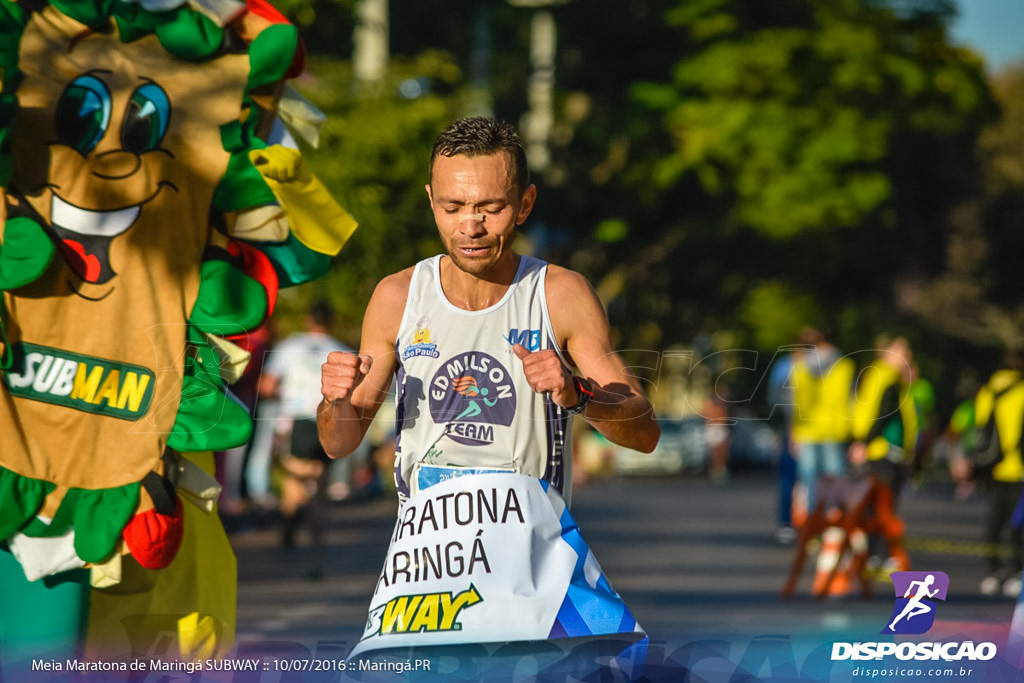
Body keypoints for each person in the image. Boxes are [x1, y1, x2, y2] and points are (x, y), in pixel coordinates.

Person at [317, 116, 660, 510]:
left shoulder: (560, 295)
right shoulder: (398, 296)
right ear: (431, 200)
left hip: (531, 557)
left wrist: (577, 393)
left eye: (490, 208)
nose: (470, 226)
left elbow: (644, 433)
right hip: (427, 559)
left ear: (524, 204)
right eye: (452, 207)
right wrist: (335, 402)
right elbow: (338, 443)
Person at [261, 299, 351, 558]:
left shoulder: (290, 346)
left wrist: (287, 395)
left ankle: (291, 528)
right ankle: (317, 547)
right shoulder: (342, 351)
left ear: (309, 320)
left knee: (294, 482)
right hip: (328, 421)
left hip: (297, 419)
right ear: (331, 323)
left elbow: (266, 387)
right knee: (320, 486)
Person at [848, 334, 918, 575]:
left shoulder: (879, 374)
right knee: (883, 507)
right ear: (887, 352)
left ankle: (874, 554)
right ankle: (879, 554)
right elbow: (882, 412)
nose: (907, 356)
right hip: (884, 451)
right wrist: (864, 442)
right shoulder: (887, 377)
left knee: (877, 506)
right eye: (902, 350)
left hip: (879, 448)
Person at [965, 353, 1024, 597]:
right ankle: (1018, 572)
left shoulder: (988, 391)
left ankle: (994, 572)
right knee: (1017, 526)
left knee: (994, 523)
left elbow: (980, 429)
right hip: (1018, 469)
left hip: (994, 468)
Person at [789, 327, 855, 517]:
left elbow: (795, 402)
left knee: (809, 481)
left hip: (807, 429)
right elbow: (852, 399)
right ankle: (833, 524)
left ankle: (812, 524)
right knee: (835, 479)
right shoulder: (844, 366)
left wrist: (793, 430)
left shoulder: (799, 366)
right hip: (835, 429)